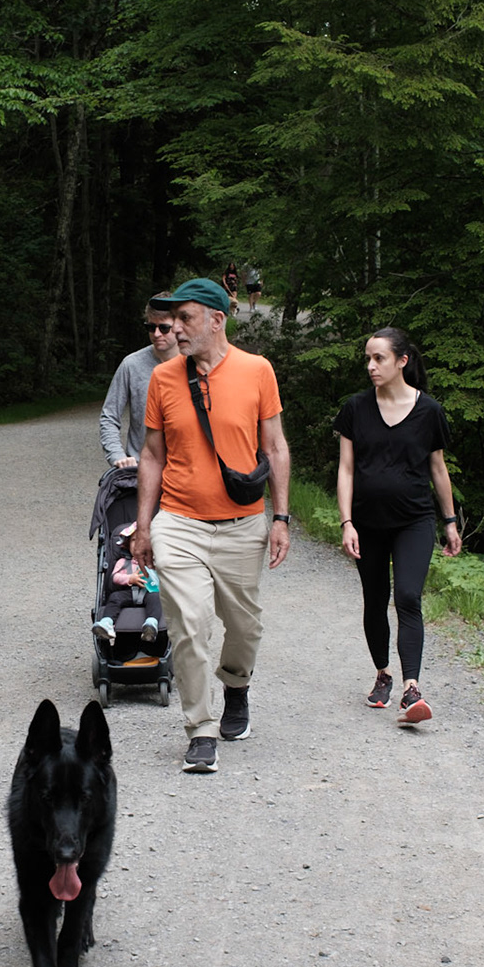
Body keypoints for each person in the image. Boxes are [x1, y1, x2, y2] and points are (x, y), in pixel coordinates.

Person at [130, 277, 292, 774]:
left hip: (243, 524)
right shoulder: (164, 379)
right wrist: (143, 526)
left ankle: (236, 685)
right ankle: (200, 729)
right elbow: (152, 455)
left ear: (217, 320)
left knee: (244, 625)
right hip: (179, 522)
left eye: (185, 318)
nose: (174, 329)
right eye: (171, 320)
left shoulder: (257, 370)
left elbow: (275, 447)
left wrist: (280, 517)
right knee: (190, 625)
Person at [334, 328, 462, 726]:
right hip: (367, 522)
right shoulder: (356, 408)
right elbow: (346, 469)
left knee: (408, 596)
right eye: (368, 359)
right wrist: (347, 522)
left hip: (414, 520)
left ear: (402, 361)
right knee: (375, 599)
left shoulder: (429, 411)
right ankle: (383, 675)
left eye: (379, 358)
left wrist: (451, 521)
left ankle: (412, 689)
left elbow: (438, 469)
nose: (371, 366)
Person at [99, 293, 179, 468]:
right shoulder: (131, 365)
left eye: (164, 328)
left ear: (179, 326)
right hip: (141, 468)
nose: (156, 334)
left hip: (184, 470)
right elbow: (109, 416)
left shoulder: (196, 365)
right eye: (150, 327)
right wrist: (117, 456)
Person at [92, 521, 162, 643]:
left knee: (157, 597)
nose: (138, 544)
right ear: (127, 544)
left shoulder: (154, 562)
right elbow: (115, 577)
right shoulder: (123, 562)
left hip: (148, 593)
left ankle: (151, 624)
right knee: (114, 597)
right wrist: (129, 578)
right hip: (127, 593)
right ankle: (107, 623)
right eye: (134, 540)